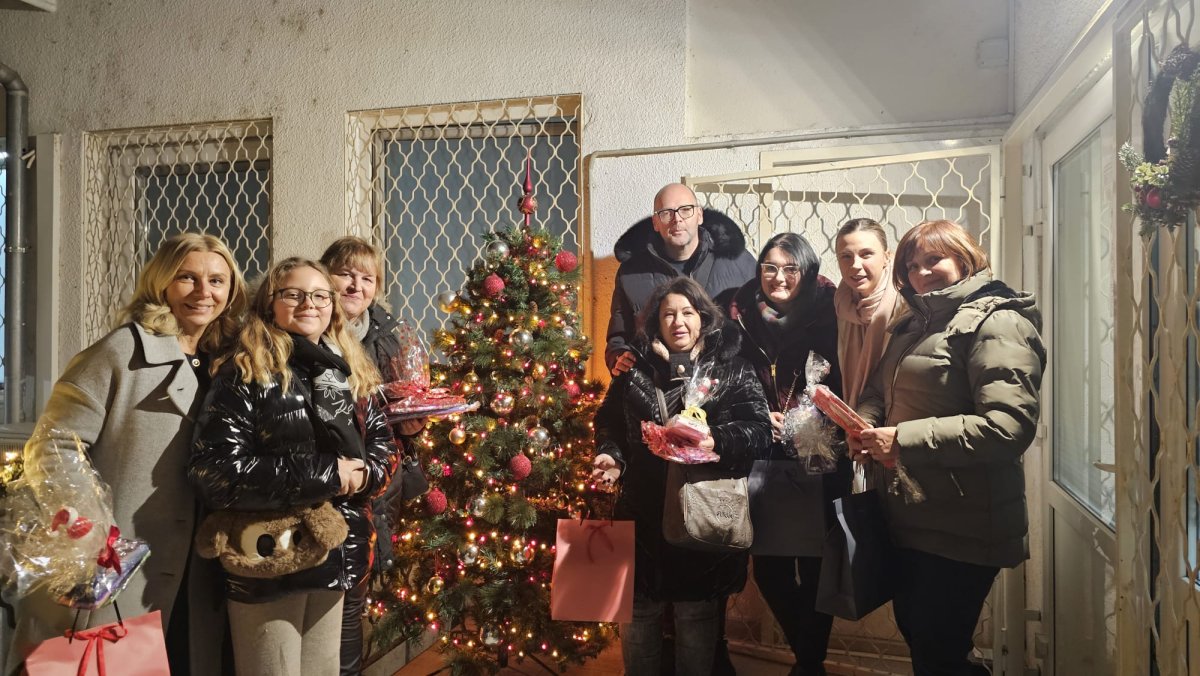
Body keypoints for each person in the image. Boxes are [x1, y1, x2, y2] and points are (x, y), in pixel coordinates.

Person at [5, 232, 248, 676]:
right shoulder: (122, 352)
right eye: (187, 278)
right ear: (161, 282)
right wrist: (91, 528)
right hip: (123, 564)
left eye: (217, 281)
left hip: (201, 566)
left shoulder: (229, 361)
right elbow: (54, 443)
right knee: (110, 664)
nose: (203, 292)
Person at [851, 220, 1046, 676]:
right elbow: (879, 389)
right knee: (924, 640)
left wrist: (901, 440)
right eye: (911, 265)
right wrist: (866, 424)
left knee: (938, 652)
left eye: (933, 260)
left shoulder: (998, 321)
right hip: (909, 514)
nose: (921, 273)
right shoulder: (913, 322)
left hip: (963, 524)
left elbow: (1008, 427)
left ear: (964, 258)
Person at [189, 257, 396, 676]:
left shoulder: (346, 367)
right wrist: (329, 474)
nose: (309, 304)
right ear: (270, 302)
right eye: (293, 294)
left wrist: (363, 475)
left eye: (320, 295)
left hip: (338, 552)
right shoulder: (245, 370)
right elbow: (217, 473)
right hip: (271, 557)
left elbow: (382, 445)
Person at [592, 276, 772, 676]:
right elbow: (609, 422)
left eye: (687, 313)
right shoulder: (633, 369)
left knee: (696, 616)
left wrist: (714, 439)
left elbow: (760, 432)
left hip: (703, 514)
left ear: (703, 318)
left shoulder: (733, 369)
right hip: (642, 514)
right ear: (655, 323)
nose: (678, 322)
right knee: (639, 614)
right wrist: (610, 456)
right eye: (668, 314)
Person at [728, 232, 845, 676]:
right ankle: (811, 662)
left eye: (790, 268)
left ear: (807, 270)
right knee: (770, 570)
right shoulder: (740, 313)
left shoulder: (833, 310)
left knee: (817, 569)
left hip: (823, 452)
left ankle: (807, 665)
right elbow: (730, 377)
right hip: (768, 455)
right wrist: (760, 413)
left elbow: (851, 375)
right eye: (770, 268)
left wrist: (813, 416)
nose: (779, 277)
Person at [318, 236, 425, 675]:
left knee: (354, 601)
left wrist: (414, 422)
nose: (356, 286)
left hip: (378, 479)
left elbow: (400, 403)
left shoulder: (390, 333)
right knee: (323, 603)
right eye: (345, 274)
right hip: (326, 481)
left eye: (367, 278)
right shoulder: (308, 332)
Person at [605, 182, 757, 377]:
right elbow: (619, 338)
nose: (677, 219)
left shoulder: (739, 263)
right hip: (657, 386)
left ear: (699, 215)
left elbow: (759, 330)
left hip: (726, 384)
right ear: (655, 222)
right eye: (667, 213)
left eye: (686, 210)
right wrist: (618, 357)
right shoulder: (631, 273)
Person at [832, 218, 904, 410]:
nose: (855, 265)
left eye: (866, 254)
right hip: (857, 415)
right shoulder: (842, 303)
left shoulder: (906, 303)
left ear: (886, 257)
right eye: (846, 256)